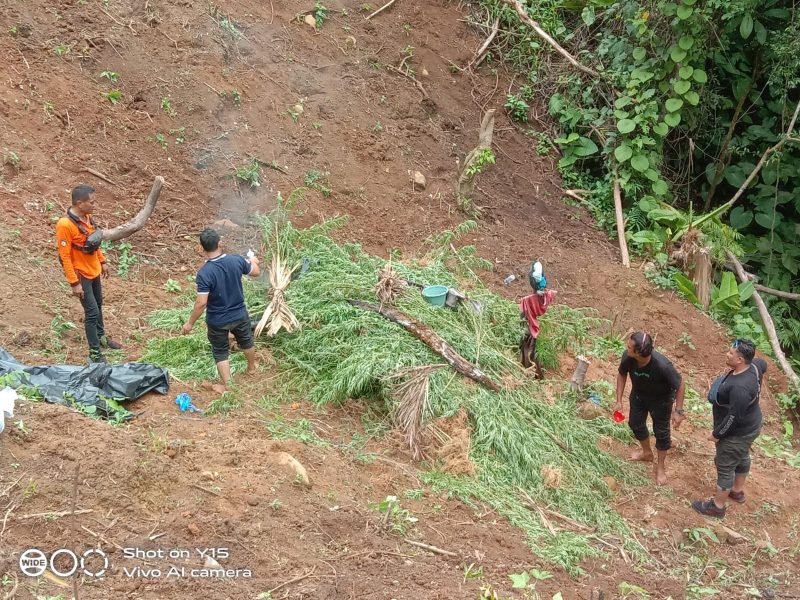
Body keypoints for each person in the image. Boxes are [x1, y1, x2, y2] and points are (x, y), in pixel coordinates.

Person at [692, 338, 766, 518]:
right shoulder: (756, 365)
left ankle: (717, 507)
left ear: (740, 360)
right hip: (752, 425)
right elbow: (765, 365)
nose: (727, 354)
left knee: (725, 464)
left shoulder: (739, 388)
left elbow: (734, 417)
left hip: (737, 432)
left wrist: (717, 434)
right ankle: (737, 490)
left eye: (731, 353)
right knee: (741, 455)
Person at [182, 228, 260, 392]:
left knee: (220, 351)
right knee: (246, 340)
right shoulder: (236, 260)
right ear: (220, 243)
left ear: (201, 248)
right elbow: (256, 273)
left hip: (218, 320)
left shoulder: (204, 273)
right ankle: (252, 368)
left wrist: (189, 323)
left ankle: (228, 386)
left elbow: (201, 303)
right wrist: (253, 261)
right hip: (240, 314)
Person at [55, 184, 123, 363]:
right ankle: (94, 352)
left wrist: (102, 261)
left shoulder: (88, 218)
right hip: (81, 275)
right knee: (91, 312)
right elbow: (65, 256)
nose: (95, 205)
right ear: (79, 203)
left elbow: (94, 242)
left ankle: (101, 339)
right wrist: (74, 282)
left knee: (98, 305)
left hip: (94, 270)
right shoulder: (65, 225)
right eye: (91, 202)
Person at [614, 331, 685, 485]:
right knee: (635, 424)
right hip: (639, 396)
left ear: (639, 352)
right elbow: (621, 374)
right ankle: (647, 452)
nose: (626, 348)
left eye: (629, 346)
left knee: (662, 433)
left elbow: (680, 384)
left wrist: (678, 411)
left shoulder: (662, 366)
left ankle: (660, 467)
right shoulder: (628, 357)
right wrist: (618, 400)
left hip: (661, 401)